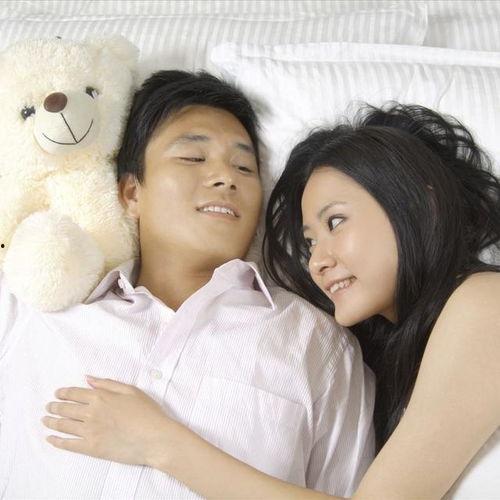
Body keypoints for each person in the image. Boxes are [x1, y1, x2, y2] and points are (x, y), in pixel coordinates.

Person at [43, 103, 500, 499]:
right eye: (309, 243)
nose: (318, 261)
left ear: (423, 204)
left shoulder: (485, 303)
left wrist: (158, 443)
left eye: (336, 222)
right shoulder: (404, 356)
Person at [0, 70, 375, 498]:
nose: (225, 178)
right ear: (131, 193)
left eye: (244, 167)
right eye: (193, 158)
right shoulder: (34, 304)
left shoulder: (315, 344)